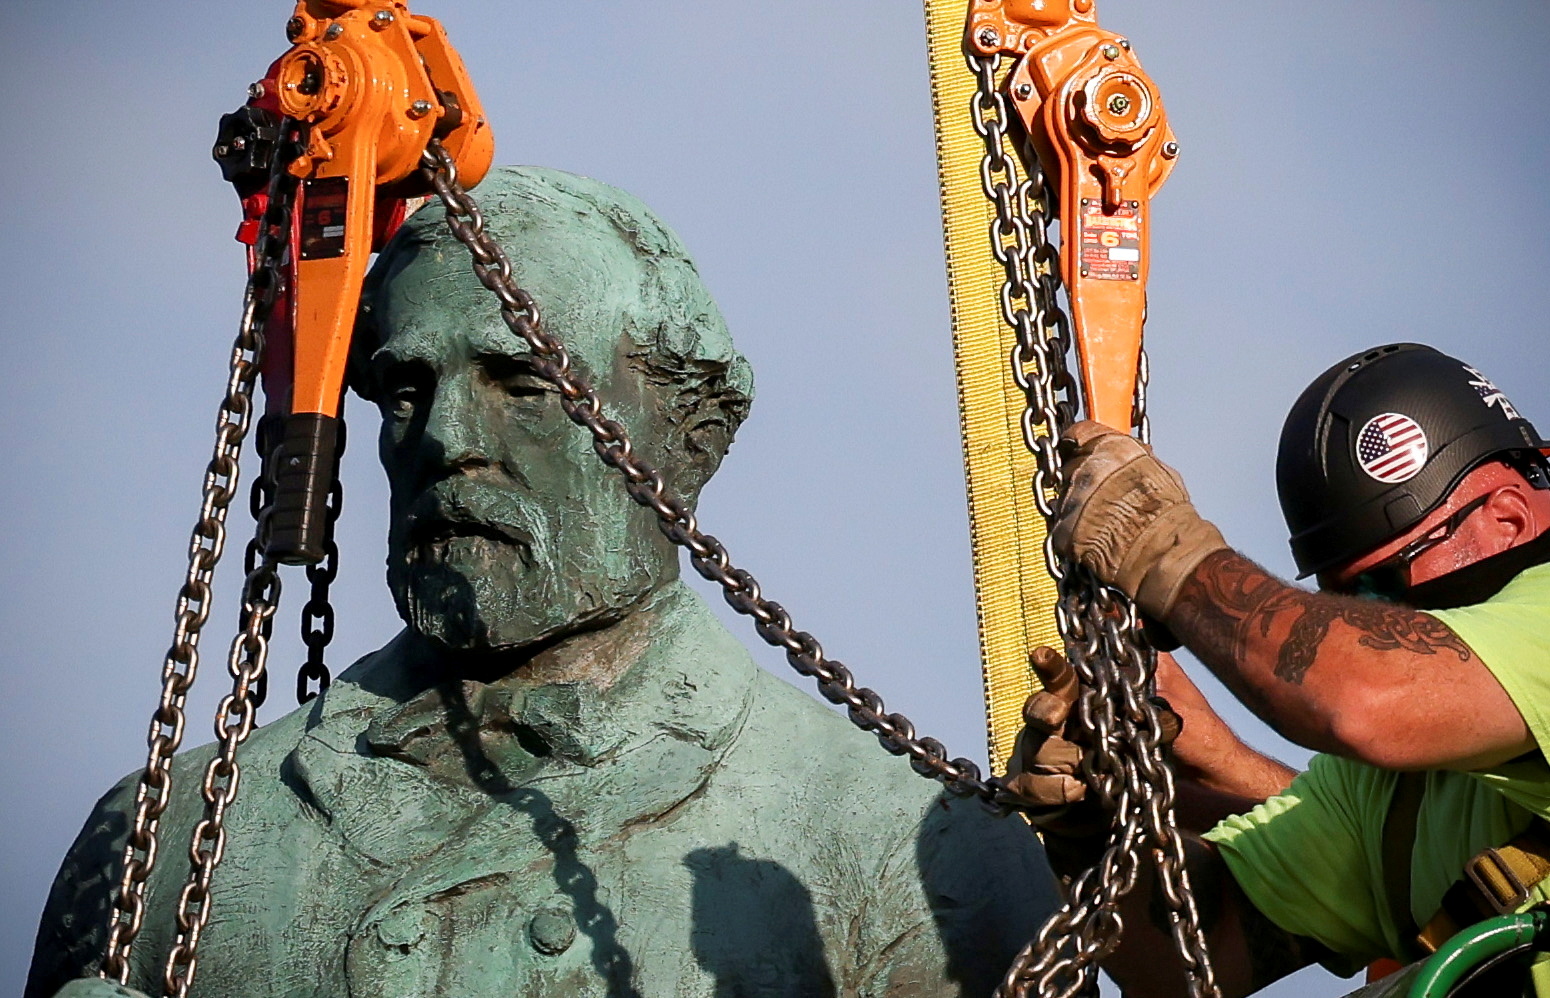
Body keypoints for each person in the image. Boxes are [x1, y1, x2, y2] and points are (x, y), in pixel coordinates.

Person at [28, 166, 1055, 998]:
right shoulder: (156, 843)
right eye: (403, 389)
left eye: (522, 383)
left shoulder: (906, 857)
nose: (445, 439)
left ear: (687, 439)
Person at [1005, 343, 1550, 997]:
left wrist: (1166, 553)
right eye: (1342, 602)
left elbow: (1364, 697)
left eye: (1379, 587)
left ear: (1509, 518)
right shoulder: (1391, 794)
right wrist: (1092, 828)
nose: (1358, 622)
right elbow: (1194, 956)